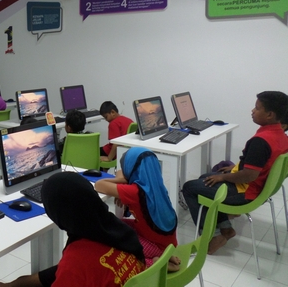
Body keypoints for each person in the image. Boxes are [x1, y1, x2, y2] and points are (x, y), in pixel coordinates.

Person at [182, 91, 288, 255]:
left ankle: (213, 236)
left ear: (270, 115)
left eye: (257, 108)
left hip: (246, 191)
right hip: (258, 187)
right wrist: (232, 170)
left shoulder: (261, 141)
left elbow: (250, 175)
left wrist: (223, 177)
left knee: (189, 188)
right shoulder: (281, 136)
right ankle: (226, 228)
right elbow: (258, 167)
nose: (252, 110)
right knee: (206, 177)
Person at [0, 172, 145, 287]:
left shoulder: (75, 264)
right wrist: (21, 283)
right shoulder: (120, 233)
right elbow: (67, 270)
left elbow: (73, 269)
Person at [95, 147, 180, 271]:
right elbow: (120, 172)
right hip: (168, 243)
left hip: (153, 245)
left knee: (114, 242)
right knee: (117, 224)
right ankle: (165, 255)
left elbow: (99, 185)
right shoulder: (158, 186)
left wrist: (123, 181)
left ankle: (153, 262)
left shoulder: (135, 191)